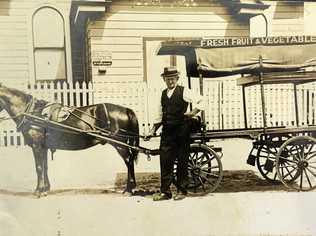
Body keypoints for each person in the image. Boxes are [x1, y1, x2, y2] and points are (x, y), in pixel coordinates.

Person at [147, 66, 205, 201]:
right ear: (164, 80)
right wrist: (152, 131)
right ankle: (165, 192)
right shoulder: (163, 94)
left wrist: (193, 112)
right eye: (168, 79)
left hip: (181, 130)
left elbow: (202, 100)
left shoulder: (184, 91)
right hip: (167, 131)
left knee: (181, 160)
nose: (170, 81)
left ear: (177, 79)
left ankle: (182, 191)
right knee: (165, 160)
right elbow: (159, 115)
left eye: (173, 79)